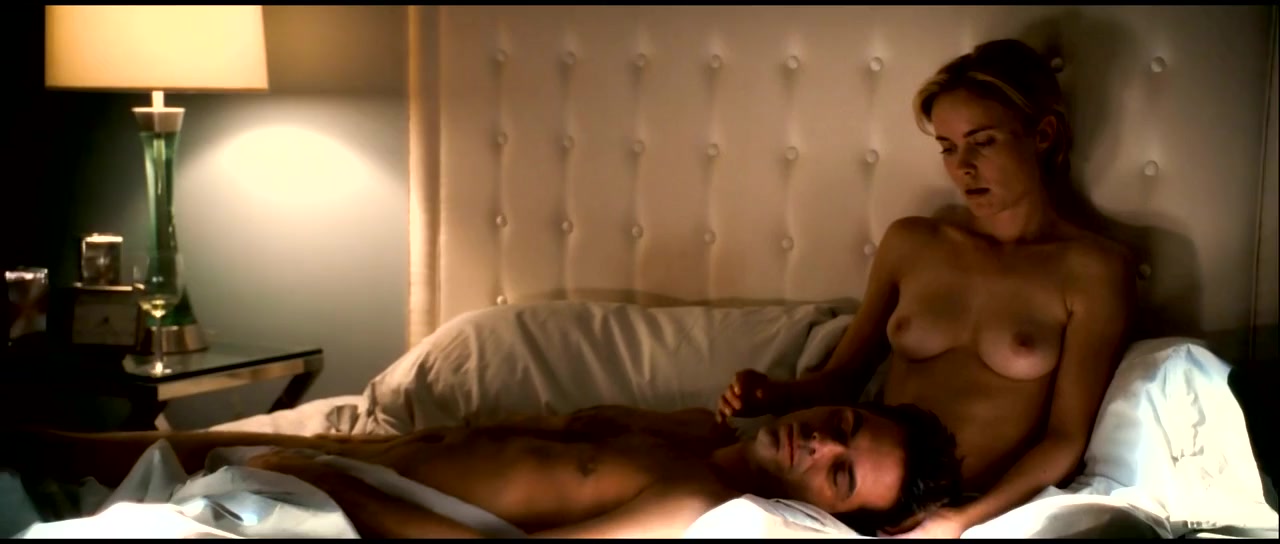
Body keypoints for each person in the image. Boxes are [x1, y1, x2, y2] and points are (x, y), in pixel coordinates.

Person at [717, 38, 1136, 538]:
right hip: (855, 498)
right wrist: (773, 394)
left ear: (1042, 134)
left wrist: (957, 521)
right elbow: (844, 378)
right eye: (948, 147)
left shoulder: (1092, 271)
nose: (963, 167)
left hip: (975, 507)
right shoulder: (913, 243)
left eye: (983, 142)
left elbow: (1065, 438)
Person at [10, 402, 963, 538]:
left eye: (839, 475)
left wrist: (336, 489)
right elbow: (402, 442)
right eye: (844, 426)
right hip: (299, 471)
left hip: (327, 516)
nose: (820, 442)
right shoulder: (671, 430)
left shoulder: (699, 500)